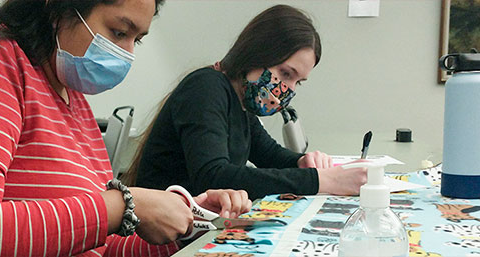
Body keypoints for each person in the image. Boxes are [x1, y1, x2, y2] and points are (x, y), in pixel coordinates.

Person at [0, 1, 251, 256]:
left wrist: (188, 222)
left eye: (137, 39)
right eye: (120, 32)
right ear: (60, 6)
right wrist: (122, 207)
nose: (128, 53)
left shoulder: (71, 98)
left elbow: (95, 242)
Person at [126, 5, 368, 201]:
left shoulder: (240, 100)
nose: (289, 89)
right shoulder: (205, 88)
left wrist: (302, 163)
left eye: (298, 82)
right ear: (257, 54)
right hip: (161, 239)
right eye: (285, 74)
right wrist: (322, 182)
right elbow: (213, 177)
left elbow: (268, 154)